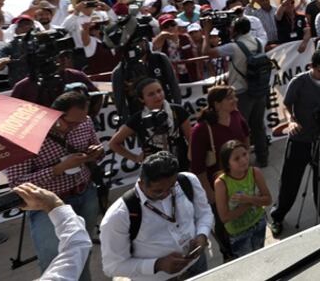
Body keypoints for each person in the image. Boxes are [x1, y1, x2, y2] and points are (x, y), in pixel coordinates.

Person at [6, 90, 102, 281]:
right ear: (56, 113)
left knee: (82, 251)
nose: (77, 126)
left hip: (86, 194)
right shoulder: (27, 136)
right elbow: (18, 184)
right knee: (54, 262)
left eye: (81, 121)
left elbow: (97, 148)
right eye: (71, 122)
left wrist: (95, 153)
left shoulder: (85, 122)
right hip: (46, 208)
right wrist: (58, 169)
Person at [269, 48, 320, 237]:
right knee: (290, 181)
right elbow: (287, 105)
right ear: (311, 66)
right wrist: (291, 120)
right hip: (300, 140)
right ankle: (277, 216)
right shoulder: (299, 82)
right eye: (319, 71)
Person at [100, 151, 214, 281]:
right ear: (142, 183)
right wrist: (157, 265)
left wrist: (202, 235)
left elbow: (204, 213)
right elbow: (112, 266)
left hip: (196, 266)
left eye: (171, 187)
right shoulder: (119, 216)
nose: (166, 194)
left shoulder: (187, 181)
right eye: (158, 191)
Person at [189, 85, 251, 260]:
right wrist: (210, 193)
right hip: (219, 186)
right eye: (230, 98)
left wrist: (246, 158)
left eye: (234, 96)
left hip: (241, 179)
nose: (235, 100)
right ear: (216, 104)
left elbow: (246, 135)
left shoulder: (236, 115)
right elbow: (198, 167)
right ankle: (229, 254)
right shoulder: (201, 129)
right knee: (224, 222)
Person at [203, 16, 271, 167]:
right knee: (258, 126)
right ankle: (263, 158)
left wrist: (207, 32)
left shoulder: (233, 47)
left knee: (238, 128)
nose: (229, 30)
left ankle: (239, 161)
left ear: (236, 30)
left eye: (232, 28)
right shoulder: (259, 42)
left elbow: (207, 51)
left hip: (240, 94)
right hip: (259, 89)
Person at [11, 182, 93, 281]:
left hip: (83, 190)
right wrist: (53, 204)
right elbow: (77, 245)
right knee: (52, 259)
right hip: (44, 208)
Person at [109, 78, 193, 168]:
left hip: (182, 163)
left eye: (159, 91)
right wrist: (135, 158)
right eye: (151, 94)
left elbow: (191, 138)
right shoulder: (138, 119)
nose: (158, 96)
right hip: (155, 169)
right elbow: (113, 143)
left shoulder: (178, 110)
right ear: (142, 99)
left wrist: (191, 157)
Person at [214, 140, 272, 259]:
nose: (243, 160)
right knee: (247, 263)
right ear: (227, 163)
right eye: (236, 159)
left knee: (259, 255)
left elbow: (268, 200)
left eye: (245, 154)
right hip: (238, 232)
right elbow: (224, 217)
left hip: (258, 223)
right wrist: (249, 203)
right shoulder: (221, 183)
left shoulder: (255, 172)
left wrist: (248, 199)